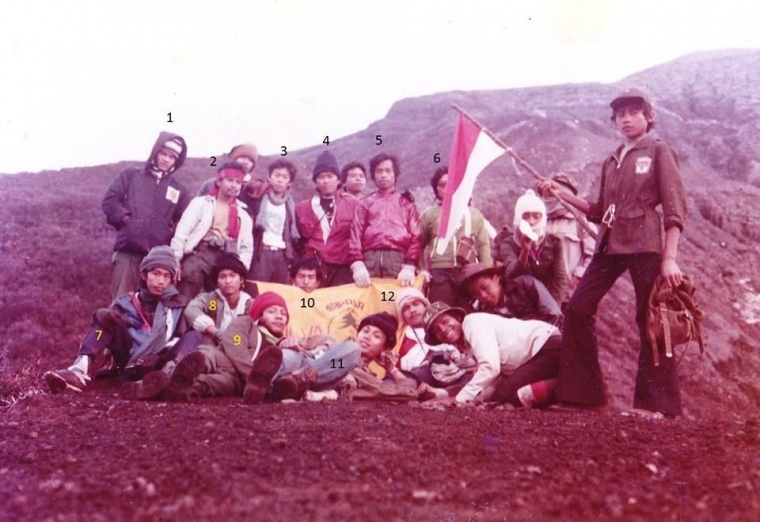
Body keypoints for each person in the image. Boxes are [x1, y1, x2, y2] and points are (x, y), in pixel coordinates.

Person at [537, 87, 688, 416]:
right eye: (620, 115)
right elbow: (597, 209)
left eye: (633, 113)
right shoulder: (611, 160)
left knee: (651, 318)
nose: (626, 119)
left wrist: (670, 258)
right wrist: (561, 194)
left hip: (645, 245)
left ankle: (657, 406)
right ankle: (582, 397)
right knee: (577, 307)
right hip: (610, 245)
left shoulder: (659, 151)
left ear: (648, 116)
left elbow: (675, 209)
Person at [44, 246, 198, 393]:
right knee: (103, 322)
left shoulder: (177, 304)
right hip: (130, 362)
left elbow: (178, 337)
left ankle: (168, 377)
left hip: (160, 364)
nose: (161, 281)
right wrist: (102, 316)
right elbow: (103, 336)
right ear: (144, 275)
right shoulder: (125, 303)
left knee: (194, 335)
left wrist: (161, 356)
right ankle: (79, 369)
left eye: (166, 276)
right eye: (156, 273)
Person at [102, 132, 190, 301]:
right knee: (121, 303)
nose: (166, 159)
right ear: (156, 152)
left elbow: (182, 221)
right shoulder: (131, 175)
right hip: (128, 251)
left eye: (172, 157)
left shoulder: (179, 189)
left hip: (158, 258)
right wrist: (128, 221)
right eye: (163, 153)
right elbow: (110, 201)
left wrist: (168, 232)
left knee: (153, 307)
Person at [423, 302, 561, 407]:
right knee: (501, 394)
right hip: (539, 352)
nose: (443, 329)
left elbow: (490, 368)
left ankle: (563, 387)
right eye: (437, 330)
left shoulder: (472, 323)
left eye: (445, 321)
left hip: (547, 345)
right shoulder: (467, 342)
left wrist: (459, 399)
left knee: (505, 396)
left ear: (458, 318)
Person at [170, 162, 254, 302]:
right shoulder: (201, 204)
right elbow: (182, 233)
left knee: (215, 300)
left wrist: (240, 269)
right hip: (201, 253)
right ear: (219, 181)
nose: (234, 185)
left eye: (238, 182)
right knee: (188, 285)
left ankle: (210, 321)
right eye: (230, 180)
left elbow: (247, 247)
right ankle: (180, 321)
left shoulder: (243, 214)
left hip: (226, 258)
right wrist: (175, 260)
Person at [418, 166, 492, 305]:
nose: (448, 188)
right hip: (439, 273)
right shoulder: (429, 215)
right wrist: (421, 269)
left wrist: (486, 273)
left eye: (452, 183)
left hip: (468, 273)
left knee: (467, 314)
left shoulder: (474, 214)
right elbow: (418, 245)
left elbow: (483, 246)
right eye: (442, 185)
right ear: (436, 190)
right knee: (443, 311)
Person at [349, 153, 421, 287]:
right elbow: (355, 234)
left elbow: (416, 236)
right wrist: (357, 264)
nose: (383, 175)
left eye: (388, 171)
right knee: (369, 304)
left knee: (396, 303)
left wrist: (410, 264)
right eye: (379, 171)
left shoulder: (407, 204)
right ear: (373, 175)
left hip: (398, 261)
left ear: (395, 174)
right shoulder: (365, 203)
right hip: (369, 261)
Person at [395, 289, 474, 400]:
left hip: (457, 373)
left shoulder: (449, 329)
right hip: (423, 376)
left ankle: (442, 394)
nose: (412, 310)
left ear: (425, 305)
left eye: (416, 304)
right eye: (406, 308)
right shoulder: (399, 339)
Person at [294, 151, 359, 286]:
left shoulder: (352, 205)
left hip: (342, 268)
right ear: (315, 181)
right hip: (313, 270)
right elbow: (298, 240)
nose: (325, 181)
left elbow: (357, 238)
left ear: (339, 180)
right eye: (321, 177)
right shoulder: (301, 208)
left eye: (330, 176)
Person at [494, 189, 567, 303]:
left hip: (547, 301)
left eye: (536, 216)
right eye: (526, 216)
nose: (531, 221)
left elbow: (559, 279)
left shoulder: (554, 242)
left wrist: (553, 310)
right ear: (518, 218)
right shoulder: (508, 244)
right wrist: (525, 252)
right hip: (520, 303)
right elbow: (512, 275)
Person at [541, 173, 597, 299]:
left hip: (570, 295)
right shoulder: (540, 222)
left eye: (553, 190)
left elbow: (595, 254)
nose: (550, 195)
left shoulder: (581, 223)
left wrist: (578, 277)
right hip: (544, 294)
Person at [457, 263, 563, 327]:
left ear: (496, 278)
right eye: (476, 294)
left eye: (485, 287)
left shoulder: (524, 285)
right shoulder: (486, 315)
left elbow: (554, 315)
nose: (483, 296)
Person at [247, 160, 300, 286]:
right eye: (277, 175)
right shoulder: (258, 198)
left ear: (289, 183)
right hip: (261, 252)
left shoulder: (290, 206)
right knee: (257, 291)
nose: (280, 180)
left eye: (284, 177)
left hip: (282, 254)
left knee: (280, 293)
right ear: (269, 177)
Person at [183, 254, 254, 345]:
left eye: (232, 276)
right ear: (217, 282)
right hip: (213, 346)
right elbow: (191, 310)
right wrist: (214, 331)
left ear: (241, 280)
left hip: (239, 346)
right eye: (222, 277)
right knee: (194, 336)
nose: (228, 281)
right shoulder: (213, 300)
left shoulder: (249, 303)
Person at [347, 312, 420, 401]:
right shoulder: (340, 360)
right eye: (365, 331)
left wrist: (391, 369)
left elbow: (409, 392)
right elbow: (334, 365)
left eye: (376, 336)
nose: (367, 336)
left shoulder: (370, 382)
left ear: (384, 349)